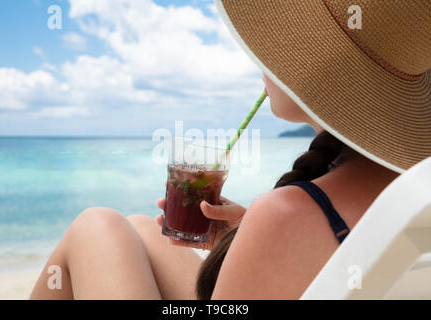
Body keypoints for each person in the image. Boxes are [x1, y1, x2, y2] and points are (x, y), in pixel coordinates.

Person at [30, 0, 430, 299]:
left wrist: (265, 232)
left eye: (292, 40)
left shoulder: (286, 215)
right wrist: (244, 242)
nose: (264, 55)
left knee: (96, 224)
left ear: (322, 64)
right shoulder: (412, 185)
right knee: (136, 227)